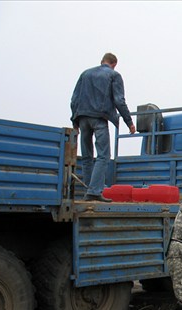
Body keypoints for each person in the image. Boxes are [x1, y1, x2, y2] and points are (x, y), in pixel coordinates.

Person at [70, 52, 136, 202]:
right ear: (114, 64)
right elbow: (119, 100)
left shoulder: (85, 74)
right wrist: (129, 122)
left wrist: (75, 122)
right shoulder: (114, 75)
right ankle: (94, 191)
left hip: (82, 117)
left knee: (87, 156)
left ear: (102, 61)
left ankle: (89, 191)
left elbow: (74, 99)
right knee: (103, 155)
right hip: (99, 118)